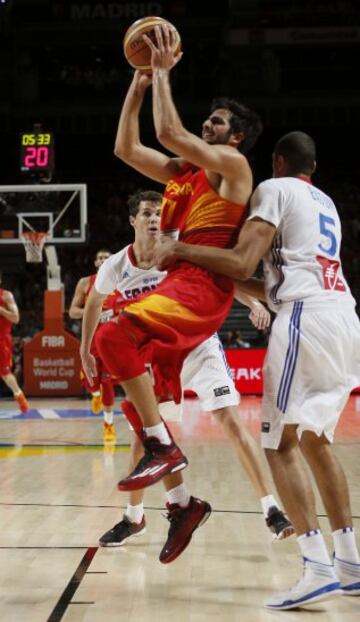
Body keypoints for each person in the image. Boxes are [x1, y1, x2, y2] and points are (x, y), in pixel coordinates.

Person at [80, 24, 263, 563]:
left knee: (114, 332)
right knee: (119, 361)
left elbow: (168, 132)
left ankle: (162, 449)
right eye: (209, 116)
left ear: (236, 138)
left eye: (219, 121)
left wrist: (161, 71)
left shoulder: (231, 168)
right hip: (177, 283)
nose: (209, 123)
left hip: (203, 286)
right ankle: (182, 502)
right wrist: (137, 85)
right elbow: (124, 146)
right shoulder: (182, 174)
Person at [155, 131, 360, 608]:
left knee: (277, 445)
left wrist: (182, 251)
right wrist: (243, 288)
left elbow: (244, 258)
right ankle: (349, 559)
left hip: (305, 316)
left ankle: (315, 565)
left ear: (277, 161)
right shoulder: (324, 201)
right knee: (314, 440)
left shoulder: (273, 189)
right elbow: (256, 275)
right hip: (343, 316)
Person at [82, 189, 293, 547]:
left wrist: (252, 302)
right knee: (145, 438)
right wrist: (85, 351)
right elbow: (93, 302)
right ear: (133, 220)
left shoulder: (178, 250)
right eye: (147, 213)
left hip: (200, 346)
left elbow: (220, 276)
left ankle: (271, 508)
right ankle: (133, 518)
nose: (153, 220)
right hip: (163, 357)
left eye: (158, 214)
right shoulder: (118, 265)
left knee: (231, 420)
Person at [69, 249, 120, 442]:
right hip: (90, 341)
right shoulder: (85, 283)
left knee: (108, 383)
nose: (103, 260)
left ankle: (108, 425)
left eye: (107, 257)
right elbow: (73, 311)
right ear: (95, 263)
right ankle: (95, 394)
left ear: (112, 261)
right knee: (90, 381)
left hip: (112, 342)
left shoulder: (122, 281)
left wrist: (117, 314)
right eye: (99, 257)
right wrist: (93, 312)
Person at [0, 272, 29, 413]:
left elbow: (16, 318)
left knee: (5, 373)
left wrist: (1, 309)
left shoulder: (6, 296)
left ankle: (18, 394)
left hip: (1, 339)